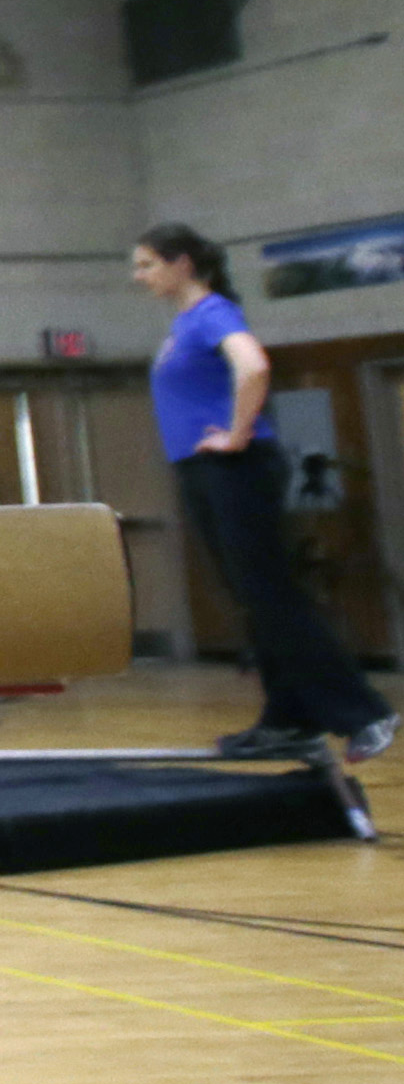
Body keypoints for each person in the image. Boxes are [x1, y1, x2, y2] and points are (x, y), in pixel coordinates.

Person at [131, 225, 396, 764]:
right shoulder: (185, 324)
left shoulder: (212, 313)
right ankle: (289, 721)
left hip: (236, 468)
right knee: (256, 601)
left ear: (182, 264)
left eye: (147, 264)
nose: (140, 277)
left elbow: (253, 366)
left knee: (273, 597)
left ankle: (365, 712)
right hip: (205, 471)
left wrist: (237, 433)